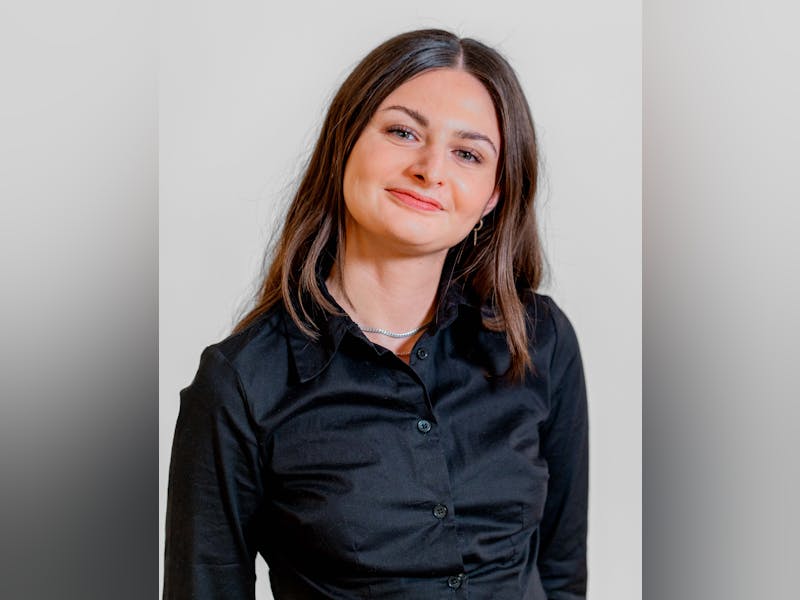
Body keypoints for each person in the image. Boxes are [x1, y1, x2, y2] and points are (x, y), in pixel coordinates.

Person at [164, 29, 588, 600]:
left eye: (467, 154)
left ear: (493, 194)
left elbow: (562, 574)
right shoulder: (240, 384)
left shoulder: (538, 339)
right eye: (403, 132)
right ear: (345, 142)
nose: (430, 169)